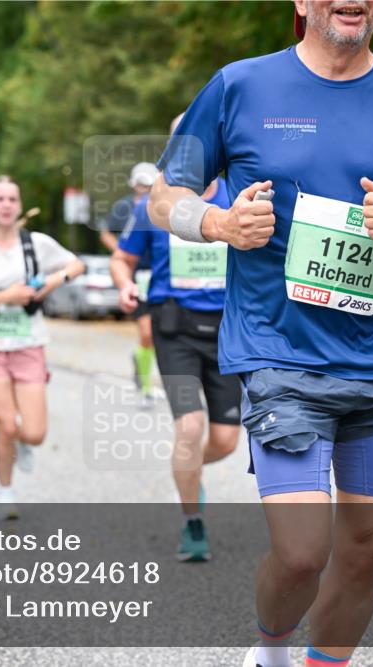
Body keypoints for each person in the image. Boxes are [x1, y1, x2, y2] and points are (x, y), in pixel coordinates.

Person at [148, 2, 373, 665]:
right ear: (301, 2)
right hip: (279, 349)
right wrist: (218, 224)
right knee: (302, 551)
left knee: (366, 550)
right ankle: (271, 650)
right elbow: (163, 195)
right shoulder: (238, 85)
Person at [111, 144, 240, 562]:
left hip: (226, 332)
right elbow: (122, 258)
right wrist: (125, 284)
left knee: (224, 441)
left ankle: (189, 471)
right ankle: (192, 523)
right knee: (189, 427)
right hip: (175, 330)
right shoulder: (157, 202)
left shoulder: (239, 194)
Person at [0, 176, 85, 519]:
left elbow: (77, 265)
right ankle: (5, 491)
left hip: (29, 346)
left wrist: (52, 281)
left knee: (35, 433)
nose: (6, 205)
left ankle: (25, 445)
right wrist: (7, 296)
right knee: (6, 426)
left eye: (12, 198)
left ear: (20, 205)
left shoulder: (37, 244)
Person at [100, 162, 158, 408]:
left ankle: (141, 362)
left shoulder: (164, 206)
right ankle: (145, 387)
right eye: (141, 184)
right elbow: (105, 231)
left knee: (154, 335)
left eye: (149, 184)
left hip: (160, 274)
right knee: (146, 331)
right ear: (134, 184)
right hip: (137, 275)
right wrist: (122, 252)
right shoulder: (124, 206)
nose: (144, 188)